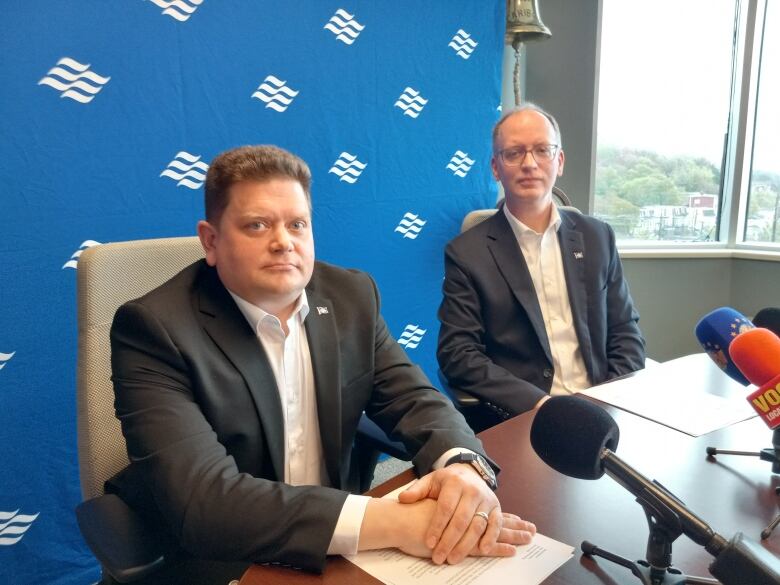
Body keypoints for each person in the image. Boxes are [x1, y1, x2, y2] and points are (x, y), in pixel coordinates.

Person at [108, 145, 536, 577]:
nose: (283, 242)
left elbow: (416, 400)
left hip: (337, 547)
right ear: (211, 241)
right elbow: (205, 502)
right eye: (257, 225)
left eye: (297, 224)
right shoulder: (154, 330)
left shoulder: (350, 297)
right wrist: (402, 523)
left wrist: (462, 468)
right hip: (224, 559)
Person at [437, 104, 645, 422]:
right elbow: (458, 354)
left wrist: (609, 400)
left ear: (558, 161)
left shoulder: (597, 237)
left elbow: (624, 331)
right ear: (495, 167)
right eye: (514, 153)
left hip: (602, 406)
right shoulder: (467, 253)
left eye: (542, 151)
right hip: (525, 415)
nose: (529, 164)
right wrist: (541, 406)